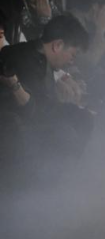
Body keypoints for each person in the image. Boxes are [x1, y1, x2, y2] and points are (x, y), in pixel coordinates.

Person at [0, 15, 92, 187]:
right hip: (14, 126)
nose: (71, 61)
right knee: (66, 133)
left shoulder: (39, 57)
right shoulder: (24, 59)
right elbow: (33, 109)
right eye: (72, 55)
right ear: (57, 45)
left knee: (82, 117)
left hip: (32, 117)